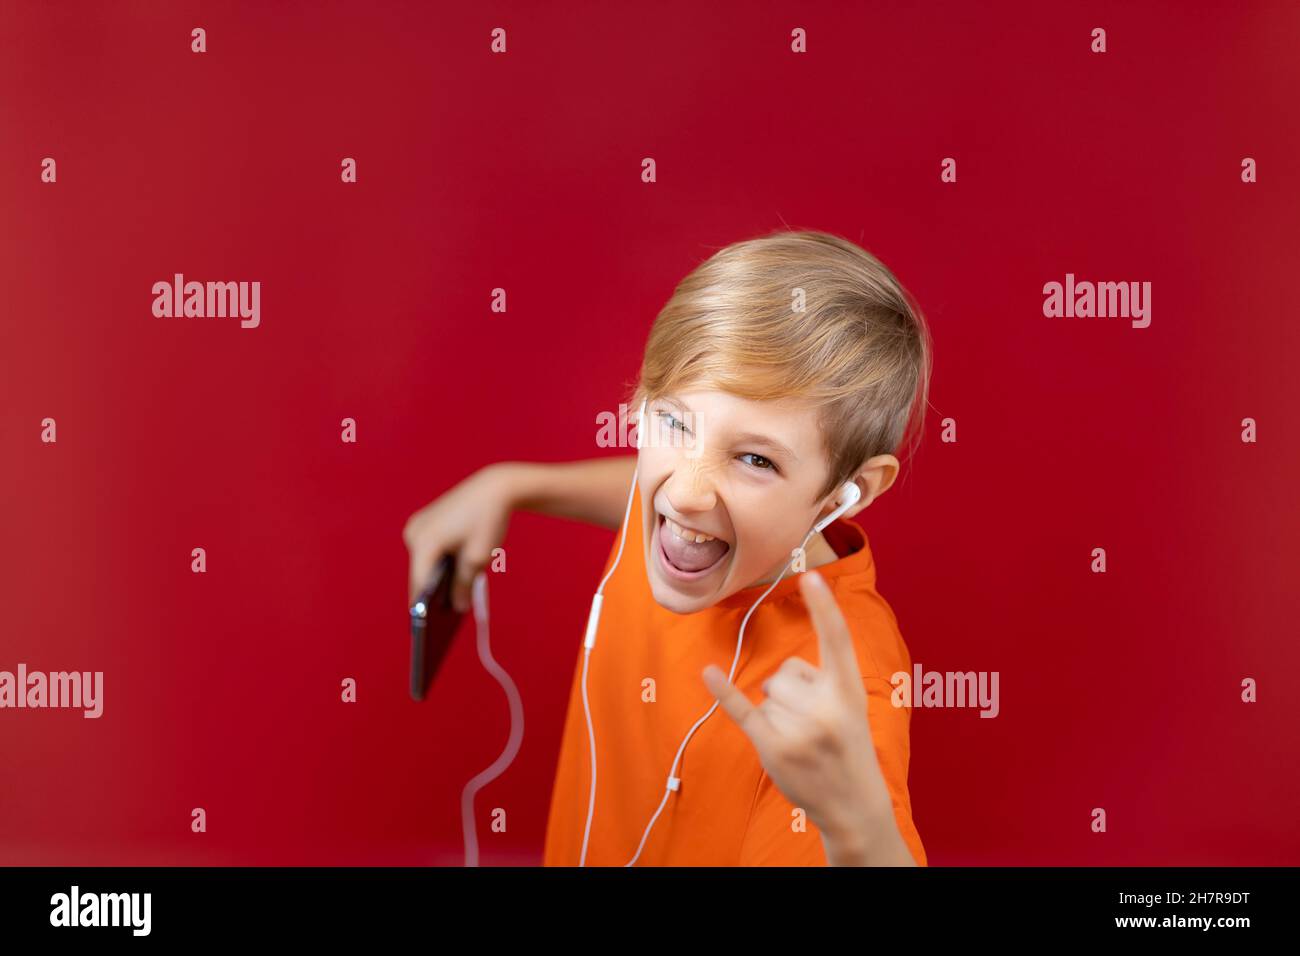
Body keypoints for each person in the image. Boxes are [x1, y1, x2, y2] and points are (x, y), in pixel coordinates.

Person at [404, 229, 933, 866]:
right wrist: (514, 485)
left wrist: (860, 828)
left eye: (756, 459)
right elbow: (642, 493)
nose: (683, 493)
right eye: (676, 422)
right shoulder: (683, 522)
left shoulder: (841, 692)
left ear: (844, 494)